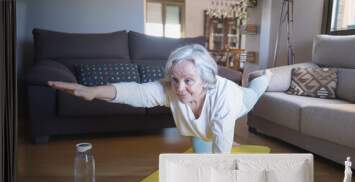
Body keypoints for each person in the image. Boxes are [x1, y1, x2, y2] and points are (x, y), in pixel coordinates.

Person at [48, 44, 271, 153]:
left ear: (204, 79)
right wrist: (93, 91)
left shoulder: (224, 99)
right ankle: (219, 132)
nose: (179, 88)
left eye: (188, 81)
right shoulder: (171, 89)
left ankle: (265, 75)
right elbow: (138, 92)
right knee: (204, 141)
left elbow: (221, 157)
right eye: (174, 79)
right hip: (203, 129)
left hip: (241, 100)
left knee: (255, 90)